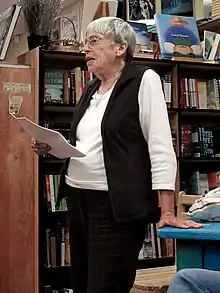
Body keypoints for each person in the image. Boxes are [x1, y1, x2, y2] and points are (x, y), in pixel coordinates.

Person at [32, 16, 202, 293]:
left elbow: (160, 145)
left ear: (120, 47)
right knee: (81, 282)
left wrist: (167, 208)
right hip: (78, 199)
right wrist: (51, 146)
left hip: (115, 205)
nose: (85, 49)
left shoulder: (143, 80)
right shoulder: (91, 88)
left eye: (94, 42)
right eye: (85, 43)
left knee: (106, 284)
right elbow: (89, 141)